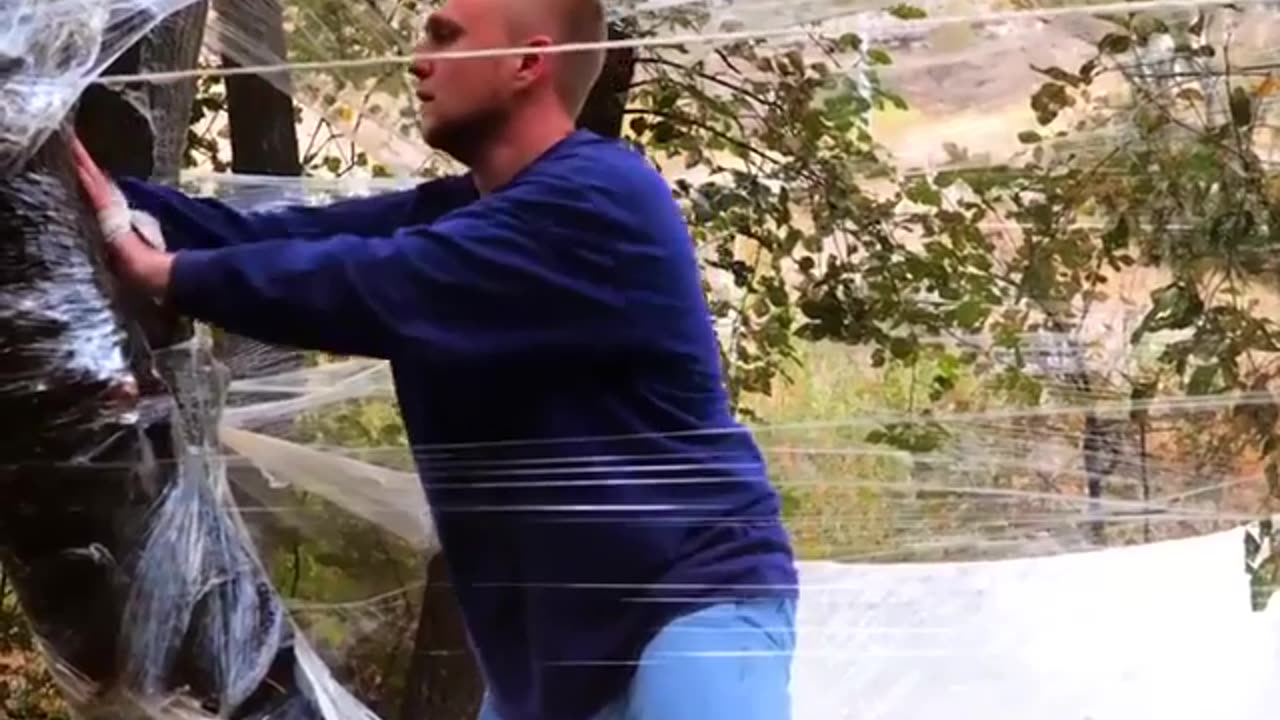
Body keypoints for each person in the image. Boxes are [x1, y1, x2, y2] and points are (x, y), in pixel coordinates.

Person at [70, 0, 799, 718]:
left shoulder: (601, 198)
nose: (418, 60)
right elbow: (271, 236)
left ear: (527, 62)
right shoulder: (457, 213)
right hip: (548, 666)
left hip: (688, 608)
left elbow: (377, 283)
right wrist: (88, 193)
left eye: (446, 37)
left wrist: (171, 275)